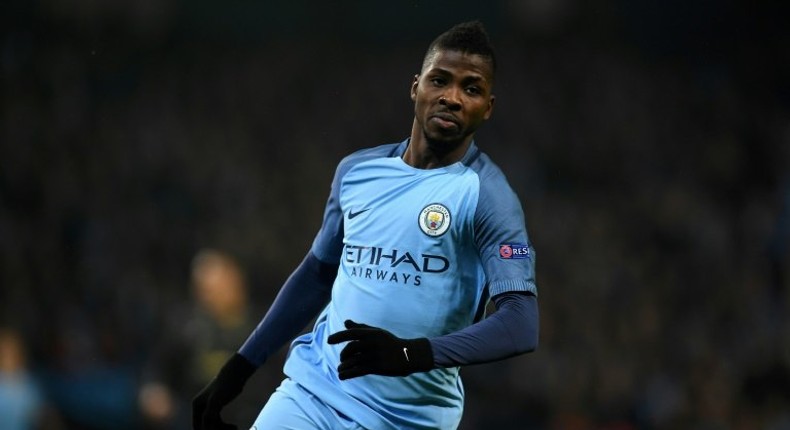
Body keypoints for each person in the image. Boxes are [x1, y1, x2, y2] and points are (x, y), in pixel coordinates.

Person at [193, 20, 540, 430]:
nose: (452, 97)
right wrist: (239, 368)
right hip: (313, 393)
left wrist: (412, 354)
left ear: (488, 107)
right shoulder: (357, 172)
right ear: (416, 87)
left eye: (471, 88)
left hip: (408, 419)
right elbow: (317, 274)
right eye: (440, 80)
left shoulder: (488, 196)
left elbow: (521, 323)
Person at [141, 249, 263, 428]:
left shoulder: (263, 327)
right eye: (203, 290)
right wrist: (154, 390)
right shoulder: (185, 327)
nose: (209, 297)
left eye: (217, 289)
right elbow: (158, 369)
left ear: (237, 283)